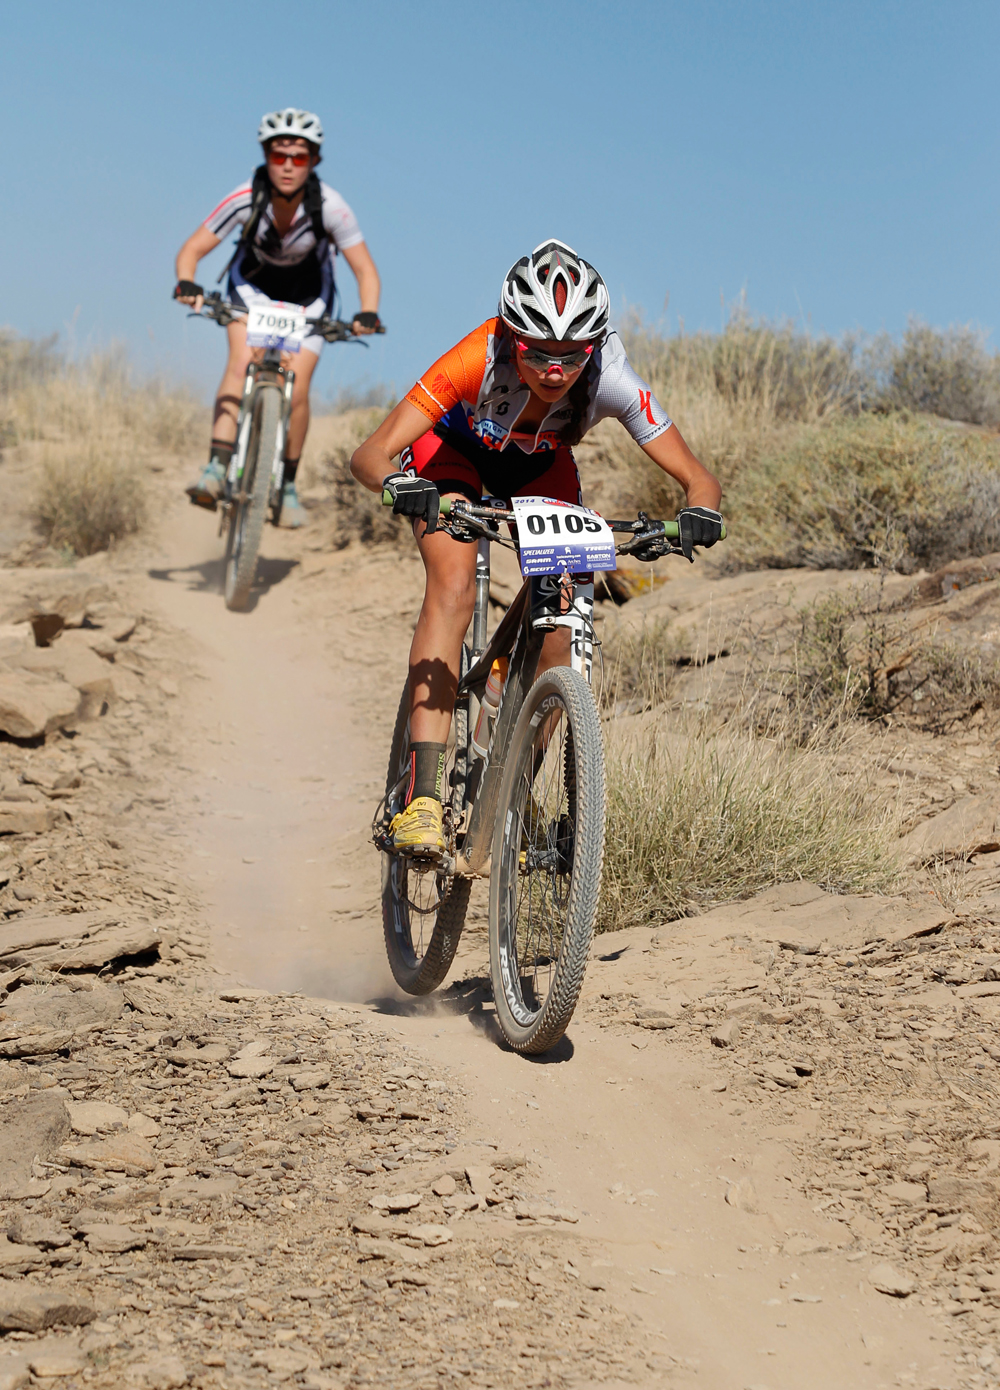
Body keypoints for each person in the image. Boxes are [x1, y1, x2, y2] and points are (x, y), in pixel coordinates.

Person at [350, 238, 723, 856]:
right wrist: (400, 486)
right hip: (452, 457)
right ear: (510, 335)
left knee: (567, 619)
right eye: (537, 352)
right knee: (454, 588)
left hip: (538, 467)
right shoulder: (475, 355)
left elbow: (698, 477)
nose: (555, 370)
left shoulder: (612, 377)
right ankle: (422, 800)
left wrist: (700, 512)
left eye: (572, 356)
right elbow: (369, 453)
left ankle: (513, 787)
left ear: (595, 345)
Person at [173, 107, 382, 527]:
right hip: (251, 290)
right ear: (265, 156)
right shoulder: (245, 197)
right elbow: (192, 249)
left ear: (315, 161)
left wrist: (367, 312)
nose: (287, 166)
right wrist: (187, 282)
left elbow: (365, 270)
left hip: (309, 300)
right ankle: (215, 467)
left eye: (299, 157)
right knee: (240, 362)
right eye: (278, 155)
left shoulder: (332, 208)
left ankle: (286, 485)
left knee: (298, 386)